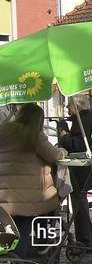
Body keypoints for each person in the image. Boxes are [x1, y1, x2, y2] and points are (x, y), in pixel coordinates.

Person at [0, 103, 67, 258]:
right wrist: (63, 150)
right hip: (27, 199)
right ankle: (25, 257)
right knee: (23, 233)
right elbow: (55, 155)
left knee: (7, 232)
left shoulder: (4, 131)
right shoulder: (34, 135)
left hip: (3, 197)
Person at [58, 94, 92, 249]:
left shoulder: (84, 121)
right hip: (79, 170)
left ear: (77, 106)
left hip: (81, 170)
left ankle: (85, 240)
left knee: (79, 204)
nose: (67, 108)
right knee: (79, 203)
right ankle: (85, 239)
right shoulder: (81, 120)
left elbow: (80, 145)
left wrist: (64, 136)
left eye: (69, 105)